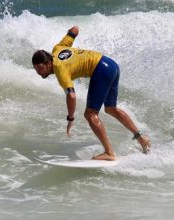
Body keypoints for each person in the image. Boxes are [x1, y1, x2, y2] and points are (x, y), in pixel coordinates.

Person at [32, 25, 150, 161]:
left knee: (90, 114)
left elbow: (71, 95)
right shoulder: (57, 49)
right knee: (111, 109)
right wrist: (72, 32)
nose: (39, 73)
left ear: (48, 63)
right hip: (111, 65)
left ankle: (109, 153)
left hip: (100, 70)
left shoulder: (60, 70)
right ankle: (142, 139)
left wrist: (70, 119)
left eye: (40, 68)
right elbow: (74, 30)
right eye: (36, 70)